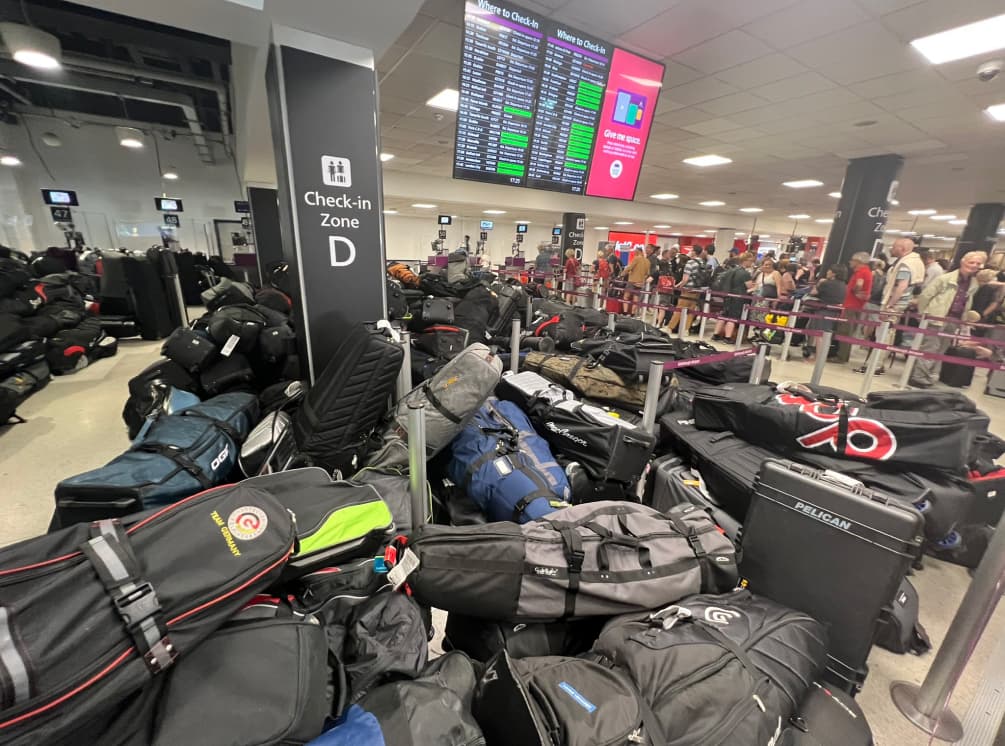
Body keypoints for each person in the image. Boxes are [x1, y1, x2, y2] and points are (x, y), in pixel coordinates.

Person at [909, 250, 987, 388]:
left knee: (941, 350)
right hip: (936, 319)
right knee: (930, 349)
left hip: (954, 321)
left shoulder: (973, 283)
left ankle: (930, 377)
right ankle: (918, 377)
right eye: (971, 262)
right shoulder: (944, 278)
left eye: (978, 263)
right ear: (963, 262)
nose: (974, 265)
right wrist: (924, 314)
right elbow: (925, 296)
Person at [854, 238, 925, 374]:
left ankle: (874, 365)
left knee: (883, 335)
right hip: (901, 303)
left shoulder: (905, 264)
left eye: (894, 246)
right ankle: (877, 364)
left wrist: (889, 305)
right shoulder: (915, 262)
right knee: (887, 334)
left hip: (894, 304)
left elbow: (901, 286)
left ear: (902, 249)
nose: (892, 248)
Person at [833, 252, 874, 363]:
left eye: (852, 260)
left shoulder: (861, 272)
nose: (850, 262)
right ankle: (843, 355)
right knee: (848, 330)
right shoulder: (867, 272)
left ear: (858, 261)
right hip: (856, 306)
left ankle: (841, 356)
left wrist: (854, 291)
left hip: (852, 306)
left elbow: (859, 284)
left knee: (845, 331)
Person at [802, 265, 848, 360]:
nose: (827, 272)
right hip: (836, 312)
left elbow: (813, 292)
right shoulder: (844, 285)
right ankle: (820, 356)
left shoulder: (826, 283)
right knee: (827, 335)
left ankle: (818, 357)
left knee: (820, 335)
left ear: (834, 273)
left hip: (824, 311)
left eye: (829, 270)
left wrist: (819, 283)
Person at [712, 253, 756, 343]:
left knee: (723, 315)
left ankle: (716, 335)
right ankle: (727, 337)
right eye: (751, 261)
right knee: (732, 318)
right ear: (745, 261)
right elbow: (749, 287)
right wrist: (756, 287)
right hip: (738, 299)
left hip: (728, 296)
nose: (752, 263)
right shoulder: (745, 273)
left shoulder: (731, 271)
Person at [667, 248, 706, 332]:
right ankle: (686, 329)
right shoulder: (702, 263)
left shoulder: (690, 263)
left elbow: (685, 279)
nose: (690, 252)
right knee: (691, 311)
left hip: (687, 290)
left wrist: (678, 286)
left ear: (694, 252)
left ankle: (670, 327)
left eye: (691, 251)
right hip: (697, 290)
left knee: (679, 309)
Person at [624, 246, 650, 316]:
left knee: (626, 296)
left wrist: (622, 274)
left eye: (635, 251)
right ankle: (632, 314)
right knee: (636, 298)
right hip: (640, 282)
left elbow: (629, 267)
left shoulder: (636, 258)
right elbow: (647, 273)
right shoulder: (647, 261)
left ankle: (625, 313)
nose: (634, 253)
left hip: (632, 280)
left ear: (638, 251)